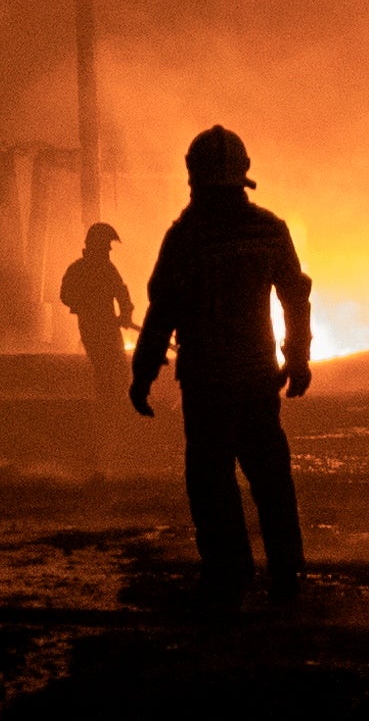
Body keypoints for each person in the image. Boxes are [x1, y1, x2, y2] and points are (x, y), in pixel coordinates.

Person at [129, 125, 312, 606]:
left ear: (195, 178)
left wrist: (143, 374)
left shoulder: (185, 237)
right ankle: (287, 572)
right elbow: (295, 296)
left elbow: (161, 311)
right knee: (271, 476)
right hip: (256, 379)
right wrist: (297, 361)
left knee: (212, 481)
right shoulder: (269, 229)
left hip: (208, 385)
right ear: (243, 176)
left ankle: (230, 575)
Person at [59, 222, 136, 402]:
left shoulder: (106, 268)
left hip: (107, 326)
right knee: (104, 366)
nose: (109, 249)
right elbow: (65, 295)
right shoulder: (79, 270)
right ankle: (108, 407)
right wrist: (84, 306)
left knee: (118, 367)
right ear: (97, 244)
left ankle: (114, 405)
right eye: (107, 245)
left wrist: (125, 315)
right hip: (92, 327)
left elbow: (122, 293)